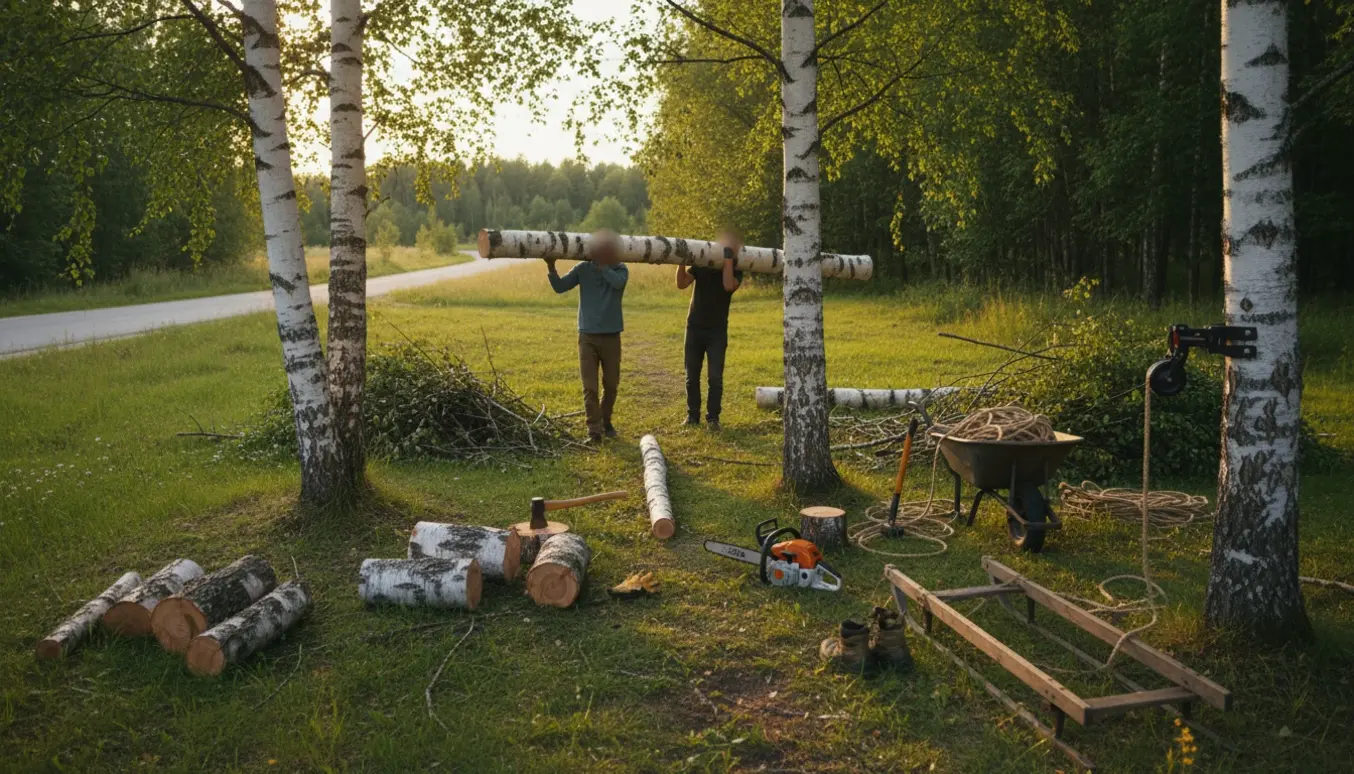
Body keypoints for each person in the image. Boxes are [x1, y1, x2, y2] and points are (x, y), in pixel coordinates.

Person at [547, 229, 629, 442]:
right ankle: (594, 431)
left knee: (611, 385)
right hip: (588, 337)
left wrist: (602, 266)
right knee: (589, 388)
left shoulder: (621, 269)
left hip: (611, 337)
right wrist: (550, 265)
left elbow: (618, 284)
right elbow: (560, 287)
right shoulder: (583, 268)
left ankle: (606, 420)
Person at [676, 229, 742, 431]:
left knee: (715, 377)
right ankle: (692, 417)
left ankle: (713, 419)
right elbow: (681, 284)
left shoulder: (738, 268)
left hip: (717, 331)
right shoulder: (702, 263)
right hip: (694, 326)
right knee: (691, 375)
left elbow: (728, 284)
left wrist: (728, 259)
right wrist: (680, 261)